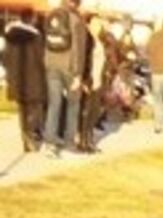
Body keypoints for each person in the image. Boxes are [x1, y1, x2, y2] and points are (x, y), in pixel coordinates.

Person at [42, 0, 87, 156]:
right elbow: (79, 48)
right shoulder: (76, 20)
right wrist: (78, 74)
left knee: (54, 104)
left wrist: (47, 62)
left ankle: (49, 142)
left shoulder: (51, 15)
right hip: (69, 66)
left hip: (51, 64)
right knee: (73, 105)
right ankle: (69, 143)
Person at [3, 9, 47, 153]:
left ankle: (25, 137)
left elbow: (4, 57)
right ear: (31, 19)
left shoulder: (10, 36)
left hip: (16, 78)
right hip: (33, 78)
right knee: (35, 109)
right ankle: (30, 135)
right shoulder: (36, 36)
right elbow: (41, 58)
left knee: (22, 110)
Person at [78, 14, 110, 153]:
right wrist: (84, 80)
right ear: (89, 25)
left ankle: (90, 140)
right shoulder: (87, 40)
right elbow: (83, 61)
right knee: (87, 111)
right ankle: (83, 141)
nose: (98, 27)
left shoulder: (100, 40)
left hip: (98, 79)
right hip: (89, 80)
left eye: (99, 24)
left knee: (95, 112)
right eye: (95, 24)